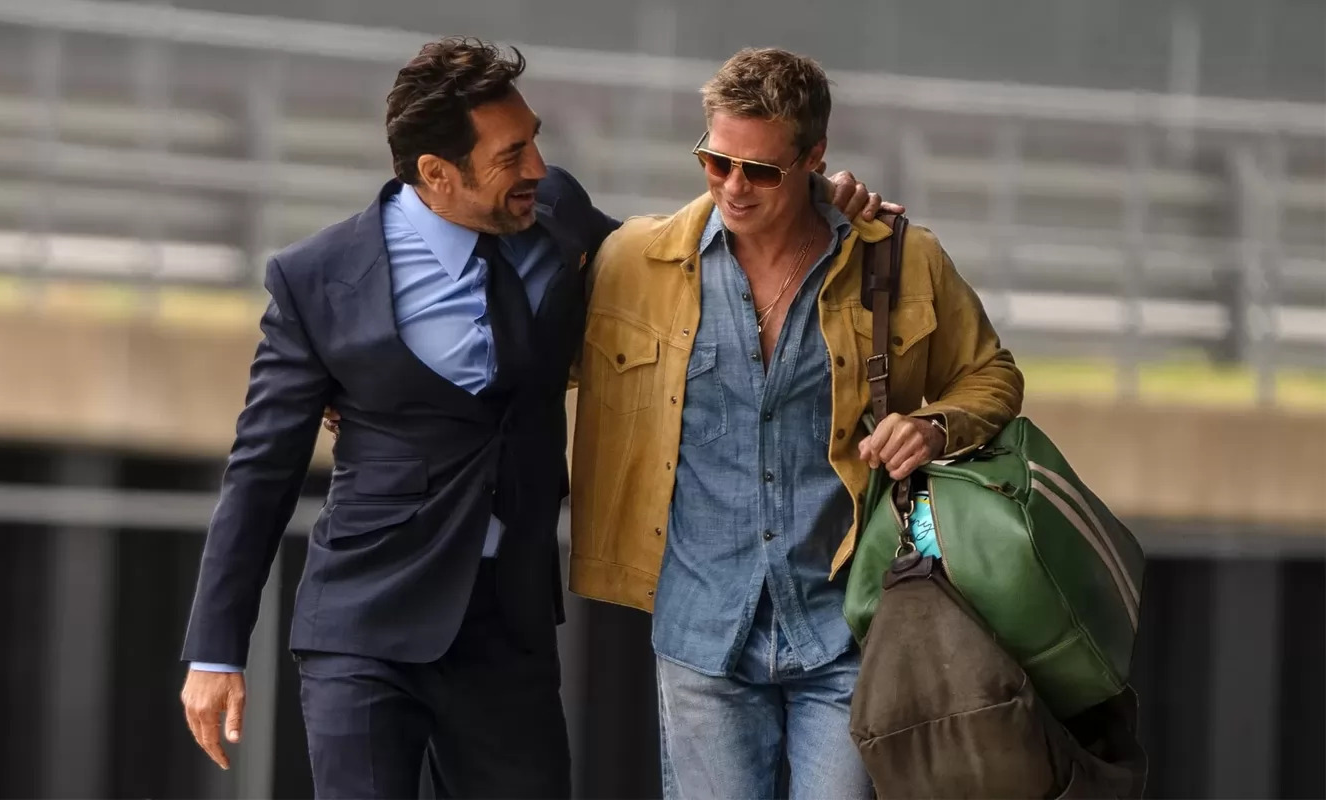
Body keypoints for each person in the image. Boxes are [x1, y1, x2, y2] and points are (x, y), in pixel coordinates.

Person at [178, 37, 896, 799]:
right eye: (511, 155)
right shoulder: (317, 279)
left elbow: (678, 262)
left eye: (534, 141)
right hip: (366, 620)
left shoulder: (557, 215)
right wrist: (215, 652)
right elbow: (261, 471)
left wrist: (818, 195)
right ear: (437, 173)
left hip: (507, 625)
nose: (536, 168)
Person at [567, 47, 1024, 798]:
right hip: (702, 632)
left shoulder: (901, 260)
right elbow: (529, 357)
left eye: (760, 171)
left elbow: (992, 374)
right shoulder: (635, 264)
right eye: (716, 162)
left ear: (814, 158)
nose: (733, 187)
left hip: (847, 627)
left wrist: (934, 427)